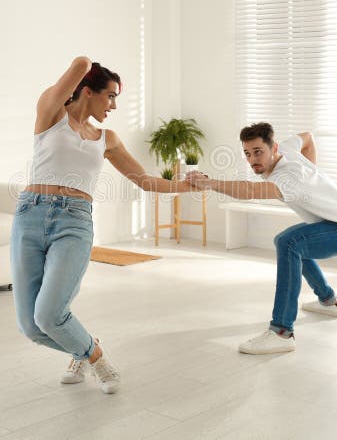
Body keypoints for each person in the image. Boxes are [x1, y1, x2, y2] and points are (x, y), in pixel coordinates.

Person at [11, 56, 197, 394]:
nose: (113, 105)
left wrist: (188, 185)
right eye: (110, 95)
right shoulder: (51, 113)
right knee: (30, 326)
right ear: (87, 90)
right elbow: (81, 63)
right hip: (30, 216)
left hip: (74, 222)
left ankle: (95, 359)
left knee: (50, 315)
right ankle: (85, 346)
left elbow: (145, 180)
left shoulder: (106, 139)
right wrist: (89, 66)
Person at [186, 122, 337, 354]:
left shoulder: (289, 175)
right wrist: (313, 173)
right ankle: (329, 301)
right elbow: (308, 138)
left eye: (259, 152)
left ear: (274, 148)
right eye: (248, 154)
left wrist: (208, 183)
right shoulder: (289, 150)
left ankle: (282, 332)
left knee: (289, 242)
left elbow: (250, 192)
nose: (253, 160)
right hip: (336, 223)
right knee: (289, 242)